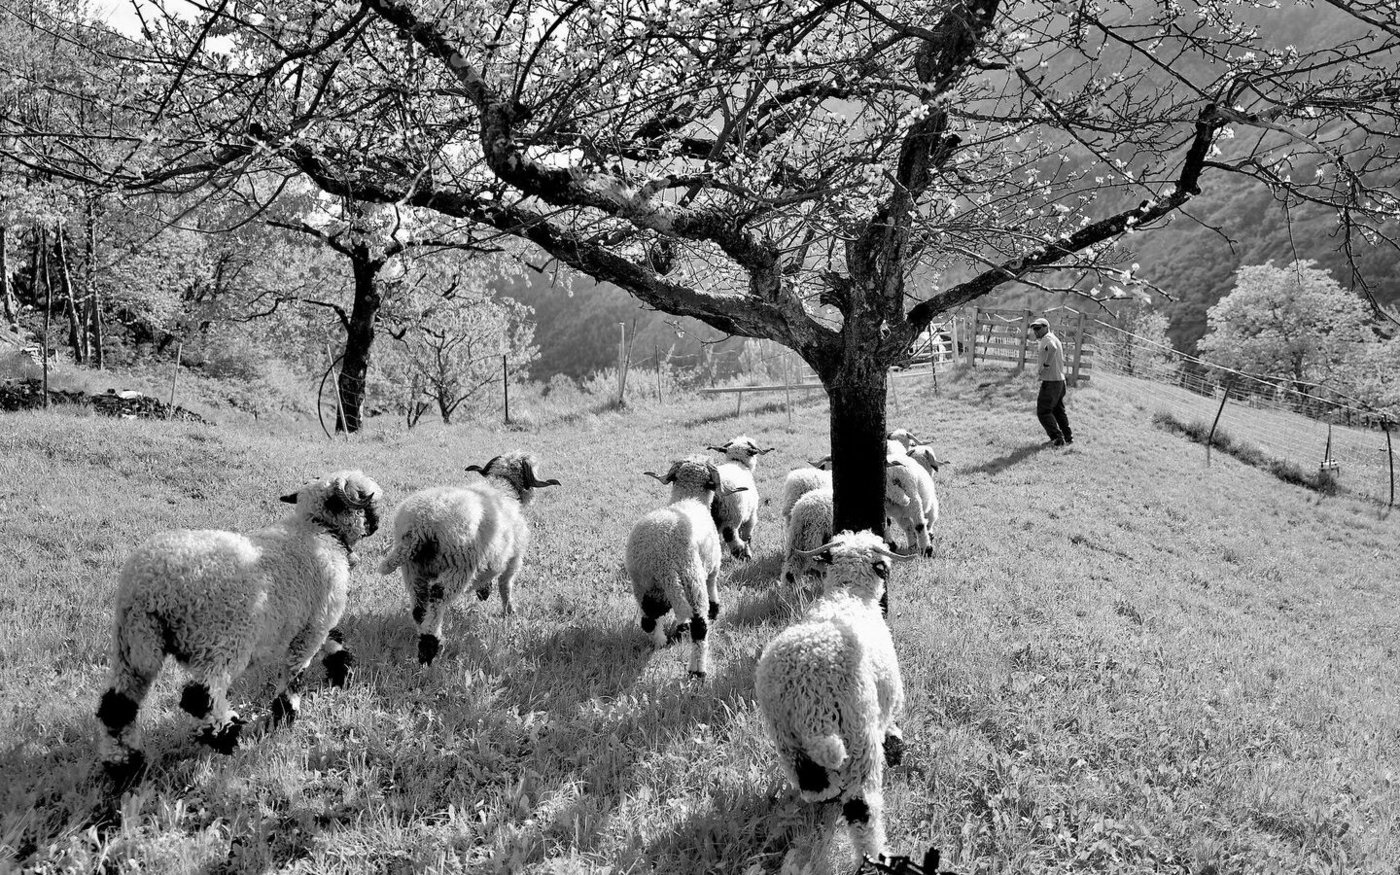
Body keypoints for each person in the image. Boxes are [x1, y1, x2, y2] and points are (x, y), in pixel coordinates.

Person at [1029, 317, 1073, 446]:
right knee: (1058, 411)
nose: (1035, 331)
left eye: (1038, 328)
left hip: (1051, 382)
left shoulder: (1047, 338)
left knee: (1043, 412)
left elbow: (1052, 349)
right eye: (1034, 329)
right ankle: (1068, 437)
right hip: (1060, 381)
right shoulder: (1053, 337)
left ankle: (1057, 439)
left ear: (1046, 327)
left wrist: (1046, 365)